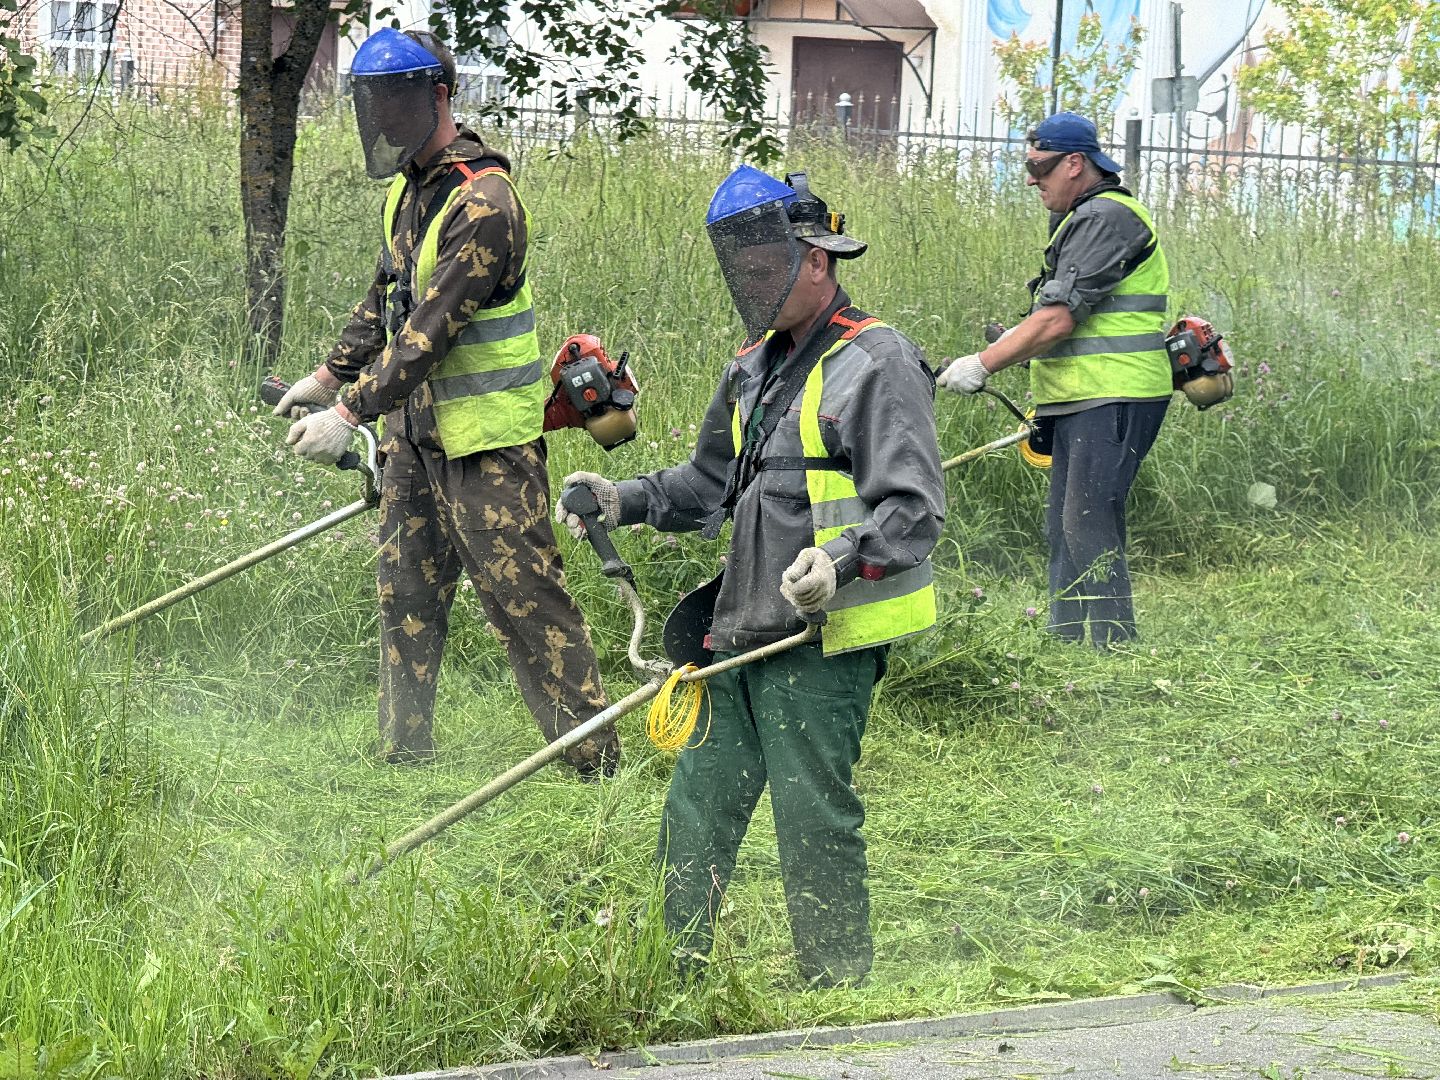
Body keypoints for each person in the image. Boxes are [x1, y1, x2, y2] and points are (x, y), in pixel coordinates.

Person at [557, 166, 944, 987]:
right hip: (737, 629)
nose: (752, 285)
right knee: (696, 806)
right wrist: (623, 497)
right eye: (742, 270)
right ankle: (671, 974)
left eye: (766, 267)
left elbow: (913, 511)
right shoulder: (752, 367)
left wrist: (839, 563)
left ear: (817, 258)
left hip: (821, 639)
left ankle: (835, 985)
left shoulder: (877, 364)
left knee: (812, 817)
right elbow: (707, 483)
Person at [272, 28, 618, 775]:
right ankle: (403, 757)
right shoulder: (409, 190)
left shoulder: (484, 203)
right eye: (373, 104)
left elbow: (428, 334)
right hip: (415, 441)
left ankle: (593, 765)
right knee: (405, 597)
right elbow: (387, 298)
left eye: (396, 101)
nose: (383, 119)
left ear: (437, 96)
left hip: (487, 449)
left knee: (526, 605)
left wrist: (347, 414)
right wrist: (328, 376)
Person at [937, 111, 1171, 648]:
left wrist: (985, 361)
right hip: (1083, 395)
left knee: (1087, 523)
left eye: (1039, 166)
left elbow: (1059, 320)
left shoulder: (1106, 217)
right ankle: (1064, 639)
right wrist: (1013, 342)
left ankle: (1114, 645)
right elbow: (1066, 321)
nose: (1030, 179)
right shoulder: (1081, 218)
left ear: (1074, 163)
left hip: (1115, 392)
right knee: (1066, 526)